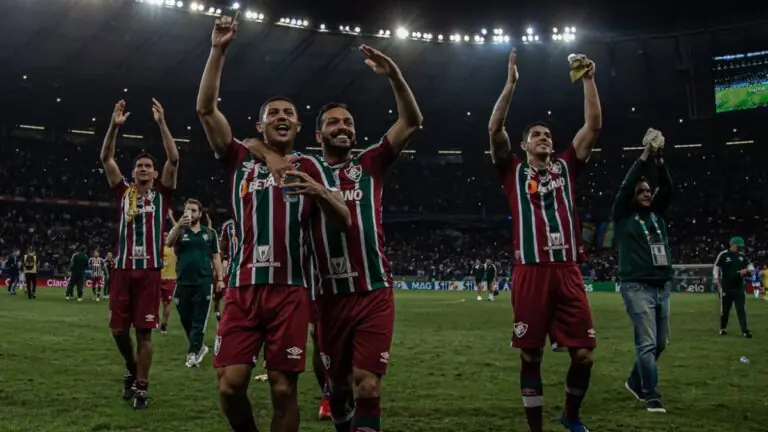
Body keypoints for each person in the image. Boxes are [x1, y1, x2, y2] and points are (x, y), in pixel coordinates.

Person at [253, 43, 421, 432]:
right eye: (333, 123)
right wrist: (267, 150)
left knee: (367, 383)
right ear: (318, 133)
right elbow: (252, 144)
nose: (343, 127)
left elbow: (411, 121)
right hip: (327, 298)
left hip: (373, 290)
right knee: (340, 388)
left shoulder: (370, 164)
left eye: (347, 122)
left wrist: (395, 76)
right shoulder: (305, 166)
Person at [196, 11, 351, 432]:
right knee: (230, 386)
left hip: (290, 291)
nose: (282, 116)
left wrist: (320, 193)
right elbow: (206, 109)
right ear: (260, 124)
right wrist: (217, 51)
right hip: (243, 290)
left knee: (284, 389)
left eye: (289, 113)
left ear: (299, 126)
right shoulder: (240, 159)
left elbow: (343, 222)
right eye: (273, 113)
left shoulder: (311, 166)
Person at [487, 49, 601, 432]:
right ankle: (535, 428)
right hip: (531, 270)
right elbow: (494, 130)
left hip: (567, 270)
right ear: (524, 146)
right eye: (536, 135)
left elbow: (593, 126)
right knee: (531, 353)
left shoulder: (567, 166)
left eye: (548, 135)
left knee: (584, 355)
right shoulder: (512, 170)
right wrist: (510, 84)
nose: (544, 138)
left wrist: (588, 78)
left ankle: (570, 415)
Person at [100, 98, 179, 409]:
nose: (144, 169)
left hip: (149, 272)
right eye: (139, 166)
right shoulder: (123, 192)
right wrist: (113, 126)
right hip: (121, 270)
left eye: (149, 166)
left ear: (155, 172)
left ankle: (142, 387)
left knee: (145, 332)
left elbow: (174, 158)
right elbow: (106, 157)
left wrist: (162, 123)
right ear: (133, 172)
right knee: (119, 330)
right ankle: (132, 369)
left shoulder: (164, 194)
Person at [612, 128, 672, 414]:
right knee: (647, 343)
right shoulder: (623, 216)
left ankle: (635, 382)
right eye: (642, 191)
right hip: (637, 287)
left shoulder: (656, 215)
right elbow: (626, 186)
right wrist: (645, 155)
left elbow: (669, 189)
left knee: (660, 343)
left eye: (649, 190)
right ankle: (652, 396)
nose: (647, 194)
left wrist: (659, 161)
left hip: (662, 287)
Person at [166, 199, 224, 367]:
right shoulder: (179, 231)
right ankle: (199, 347)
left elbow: (216, 257)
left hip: (204, 282)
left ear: (199, 214)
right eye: (187, 210)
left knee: (199, 320)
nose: (189, 213)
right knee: (186, 318)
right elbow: (168, 242)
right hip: (183, 282)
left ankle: (192, 353)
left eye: (193, 210)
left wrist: (220, 279)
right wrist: (177, 226)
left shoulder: (210, 233)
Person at [713, 237, 754, 339]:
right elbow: (716, 266)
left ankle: (745, 331)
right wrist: (716, 278)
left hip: (739, 287)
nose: (739, 248)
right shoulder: (723, 254)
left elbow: (751, 267)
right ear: (732, 244)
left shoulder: (742, 256)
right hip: (726, 287)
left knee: (741, 309)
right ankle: (723, 328)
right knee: (725, 310)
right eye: (737, 245)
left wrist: (747, 271)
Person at [159, 212, 178, 334]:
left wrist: (171, 216)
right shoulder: (158, 247)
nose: (166, 237)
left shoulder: (174, 246)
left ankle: (164, 324)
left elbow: (178, 229)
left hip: (170, 279)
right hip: (157, 278)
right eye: (164, 235)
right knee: (152, 302)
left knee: (167, 304)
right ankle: (152, 322)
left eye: (168, 235)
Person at [217, 218, 237, 322]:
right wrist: (217, 268)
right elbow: (221, 248)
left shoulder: (256, 219)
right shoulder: (228, 225)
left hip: (251, 269)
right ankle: (221, 329)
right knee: (227, 300)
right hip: (231, 270)